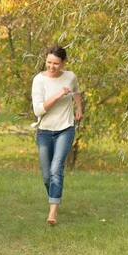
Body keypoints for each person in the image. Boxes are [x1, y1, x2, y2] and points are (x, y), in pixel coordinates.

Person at [31, 45, 83, 226]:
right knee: (46, 175)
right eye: (49, 62)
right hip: (44, 130)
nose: (52, 66)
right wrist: (59, 95)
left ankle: (52, 212)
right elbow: (38, 109)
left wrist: (78, 107)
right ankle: (54, 194)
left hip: (65, 128)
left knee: (56, 170)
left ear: (63, 63)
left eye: (56, 63)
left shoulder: (70, 77)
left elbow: (76, 90)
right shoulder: (39, 80)